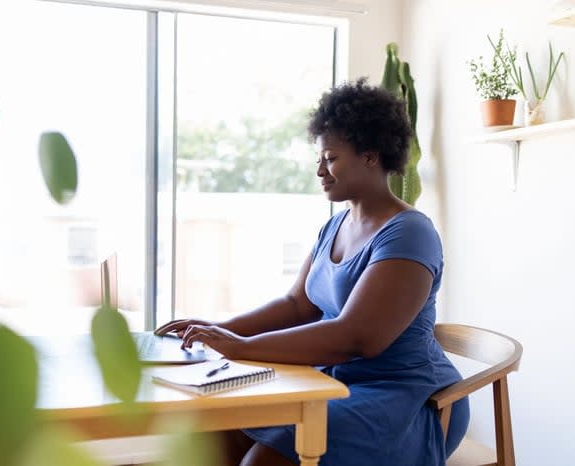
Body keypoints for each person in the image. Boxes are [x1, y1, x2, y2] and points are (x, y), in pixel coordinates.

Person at [155, 78, 469, 466]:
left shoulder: (410, 233)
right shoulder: (335, 226)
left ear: (371, 156)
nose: (320, 169)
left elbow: (359, 337)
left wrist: (242, 347)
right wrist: (224, 330)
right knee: (218, 432)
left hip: (403, 400)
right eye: (319, 158)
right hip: (334, 381)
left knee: (262, 459)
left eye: (331, 157)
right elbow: (297, 304)